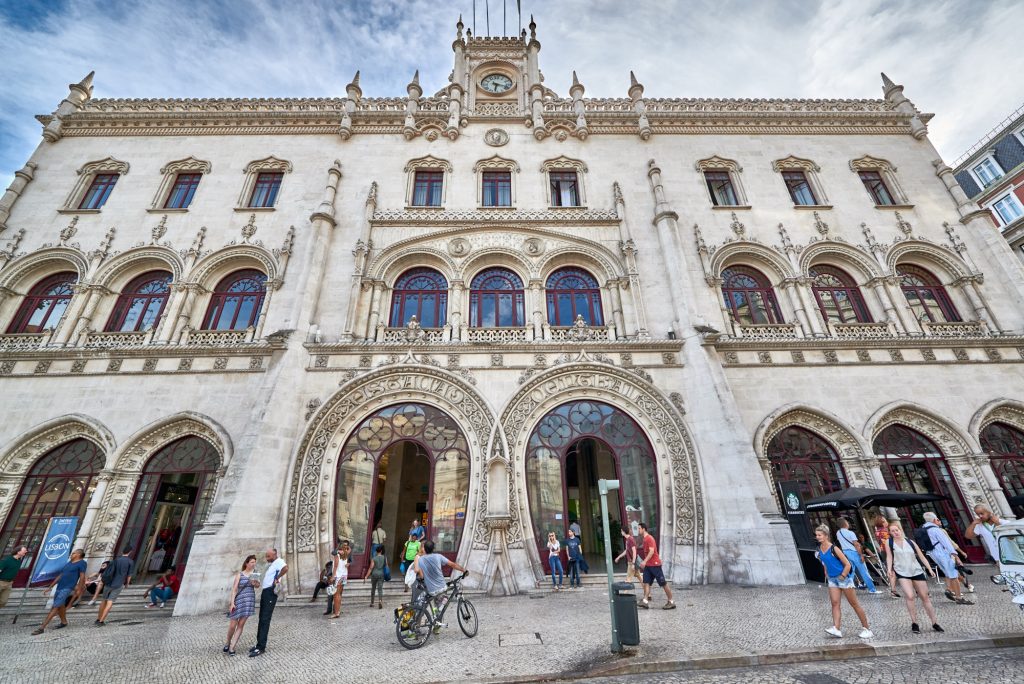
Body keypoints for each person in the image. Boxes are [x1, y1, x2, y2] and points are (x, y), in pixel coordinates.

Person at [814, 525, 872, 639]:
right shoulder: (819, 548)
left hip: (843, 579)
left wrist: (843, 576)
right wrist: (826, 572)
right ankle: (836, 628)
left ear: (826, 535)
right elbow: (825, 562)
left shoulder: (834, 548)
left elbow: (847, 564)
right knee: (835, 603)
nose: (817, 537)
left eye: (819, 535)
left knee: (854, 604)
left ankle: (867, 628)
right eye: (816, 535)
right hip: (832, 580)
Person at [883, 523, 943, 634]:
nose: (895, 532)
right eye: (892, 531)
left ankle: (935, 622)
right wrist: (889, 569)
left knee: (925, 597)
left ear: (900, 530)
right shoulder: (889, 543)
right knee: (910, 596)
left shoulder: (910, 542)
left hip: (916, 571)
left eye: (897, 530)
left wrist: (930, 569)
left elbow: (921, 556)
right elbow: (889, 556)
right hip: (902, 572)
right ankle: (914, 623)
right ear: (890, 533)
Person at [919, 512, 972, 605]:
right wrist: (956, 557)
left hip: (933, 554)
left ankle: (950, 591)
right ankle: (959, 598)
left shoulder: (923, 529)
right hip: (943, 554)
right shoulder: (936, 530)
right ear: (935, 520)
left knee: (948, 573)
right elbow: (947, 543)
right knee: (954, 575)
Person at [32, 548, 87, 635]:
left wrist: (79, 589)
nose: (71, 554)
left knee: (55, 606)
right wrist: (50, 587)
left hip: (68, 587)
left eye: (73, 553)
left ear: (78, 555)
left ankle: (42, 627)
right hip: (60, 586)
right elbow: (61, 575)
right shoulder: (69, 563)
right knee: (61, 605)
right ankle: (64, 622)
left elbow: (82, 577)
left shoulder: (82, 563)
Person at [412, 540, 468, 614]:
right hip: (441, 588)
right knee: (441, 601)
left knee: (425, 601)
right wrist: (464, 570)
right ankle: (437, 613)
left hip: (431, 590)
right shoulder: (438, 556)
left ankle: (432, 616)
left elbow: (422, 576)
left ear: (424, 549)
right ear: (433, 549)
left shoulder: (421, 559)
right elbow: (452, 564)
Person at [249, 547, 287, 658]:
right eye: (266, 556)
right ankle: (258, 644)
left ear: (275, 555)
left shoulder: (279, 562)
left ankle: (261, 647)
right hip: (266, 592)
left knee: (265, 619)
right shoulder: (272, 564)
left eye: (268, 556)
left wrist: (277, 578)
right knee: (262, 618)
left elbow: (286, 568)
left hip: (270, 592)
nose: (267, 558)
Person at [225, 555, 258, 656]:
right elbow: (235, 589)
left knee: (241, 625)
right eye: (252, 562)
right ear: (247, 563)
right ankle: (227, 642)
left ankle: (232, 647)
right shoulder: (240, 574)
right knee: (232, 625)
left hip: (249, 601)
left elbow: (257, 586)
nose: (254, 564)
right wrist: (232, 602)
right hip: (238, 601)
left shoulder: (255, 574)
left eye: (255, 562)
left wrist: (255, 582)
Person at [637, 522, 675, 610]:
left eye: (639, 528)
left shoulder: (649, 538)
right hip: (648, 566)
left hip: (655, 565)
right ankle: (645, 601)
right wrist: (646, 563)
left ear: (643, 529)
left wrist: (644, 561)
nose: (638, 530)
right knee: (646, 582)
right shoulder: (644, 539)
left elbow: (651, 551)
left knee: (663, 583)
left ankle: (671, 601)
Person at [835, 517, 877, 594]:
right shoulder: (851, 533)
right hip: (854, 553)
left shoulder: (838, 533)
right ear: (845, 524)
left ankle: (849, 587)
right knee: (864, 571)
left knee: (851, 571)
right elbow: (857, 545)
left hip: (845, 553)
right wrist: (861, 555)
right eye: (847, 522)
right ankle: (872, 589)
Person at [96, 548, 134, 626]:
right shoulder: (130, 562)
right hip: (118, 584)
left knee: (104, 600)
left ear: (122, 552)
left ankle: (98, 619)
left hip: (108, 583)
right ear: (130, 552)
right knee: (110, 601)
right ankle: (101, 621)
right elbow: (129, 575)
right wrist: (127, 583)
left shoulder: (115, 560)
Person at [0, 545, 28, 609]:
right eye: (24, 550)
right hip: (1, 582)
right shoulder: (6, 560)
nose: (26, 551)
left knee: (3, 601)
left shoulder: (19, 561)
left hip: (9, 584)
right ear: (18, 552)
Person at [330, 541, 350, 618]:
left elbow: (335, 566)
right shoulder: (346, 554)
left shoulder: (337, 555)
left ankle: (336, 613)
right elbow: (349, 549)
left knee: (336, 595)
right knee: (339, 594)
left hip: (338, 576)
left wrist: (332, 576)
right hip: (344, 576)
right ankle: (338, 610)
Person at [364, 543, 387, 609]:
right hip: (381, 574)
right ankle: (380, 601)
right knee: (380, 589)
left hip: (374, 574)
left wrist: (366, 576)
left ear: (376, 551)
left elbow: (371, 568)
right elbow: (386, 566)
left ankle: (372, 602)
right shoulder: (384, 558)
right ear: (381, 551)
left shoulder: (374, 558)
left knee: (373, 588)